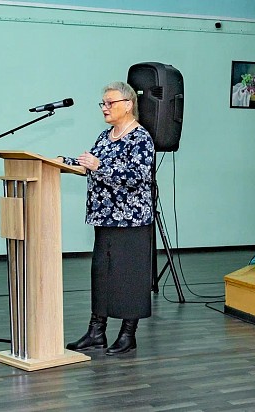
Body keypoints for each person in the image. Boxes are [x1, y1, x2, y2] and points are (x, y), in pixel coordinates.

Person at [59, 81, 154, 356]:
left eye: (109, 103)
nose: (104, 108)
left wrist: (100, 167)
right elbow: (91, 164)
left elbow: (137, 177)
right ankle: (96, 331)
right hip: (105, 219)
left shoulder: (140, 138)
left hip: (131, 221)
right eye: (102, 103)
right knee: (102, 273)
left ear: (128, 105)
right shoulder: (106, 136)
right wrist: (62, 161)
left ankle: (128, 334)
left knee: (129, 277)